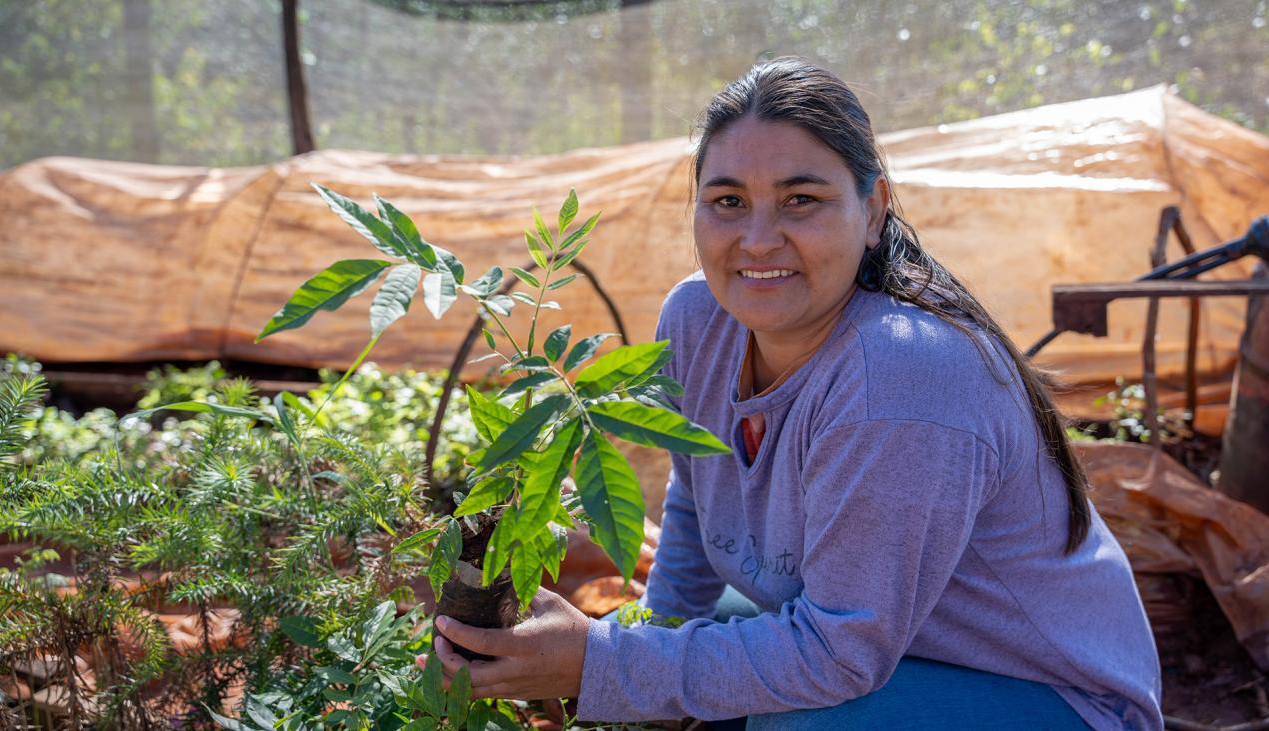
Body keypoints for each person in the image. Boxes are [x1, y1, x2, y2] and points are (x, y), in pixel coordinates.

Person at [428, 58, 1163, 730]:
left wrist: (603, 663)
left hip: (1055, 698)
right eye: (727, 200)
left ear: (873, 210)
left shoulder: (901, 372)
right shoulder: (698, 319)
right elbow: (695, 491)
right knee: (711, 657)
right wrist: (650, 645)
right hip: (904, 650)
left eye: (800, 199)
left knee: (796, 720)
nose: (757, 239)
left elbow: (842, 654)